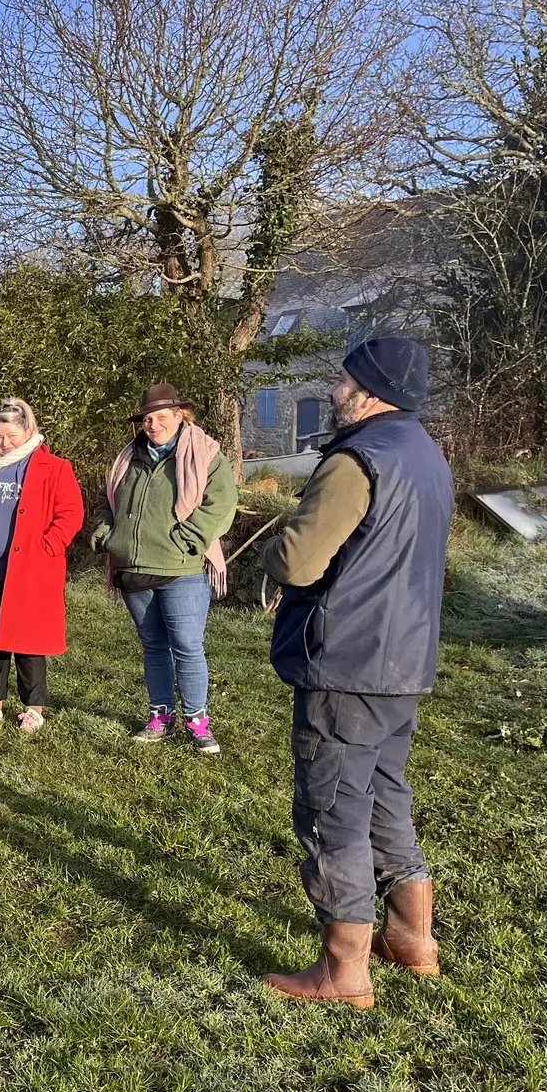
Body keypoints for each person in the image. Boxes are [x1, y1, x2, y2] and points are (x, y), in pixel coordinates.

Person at [260, 338, 453, 1009]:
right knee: (388, 797)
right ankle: (411, 939)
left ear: (369, 390)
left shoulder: (356, 459)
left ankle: (344, 972)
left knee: (333, 812)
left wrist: (283, 536)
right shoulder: (427, 455)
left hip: (346, 662)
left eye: (344, 379)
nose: (336, 388)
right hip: (406, 660)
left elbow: (301, 562)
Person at [89, 383, 239, 754]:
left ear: (180, 415)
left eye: (160, 417)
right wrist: (106, 529)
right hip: (133, 568)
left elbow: (220, 503)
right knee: (154, 647)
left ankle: (197, 720)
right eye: (146, 419)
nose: (152, 425)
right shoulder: (128, 457)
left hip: (182, 568)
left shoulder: (204, 454)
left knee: (187, 647)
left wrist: (189, 538)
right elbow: (104, 500)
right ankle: (160, 715)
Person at [0, 398, 85, 732]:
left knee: (28, 641)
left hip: (27, 571)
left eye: (11, 436)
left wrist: (48, 545)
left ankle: (33, 707)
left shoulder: (53, 467)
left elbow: (71, 513)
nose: (4, 443)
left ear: (28, 431)